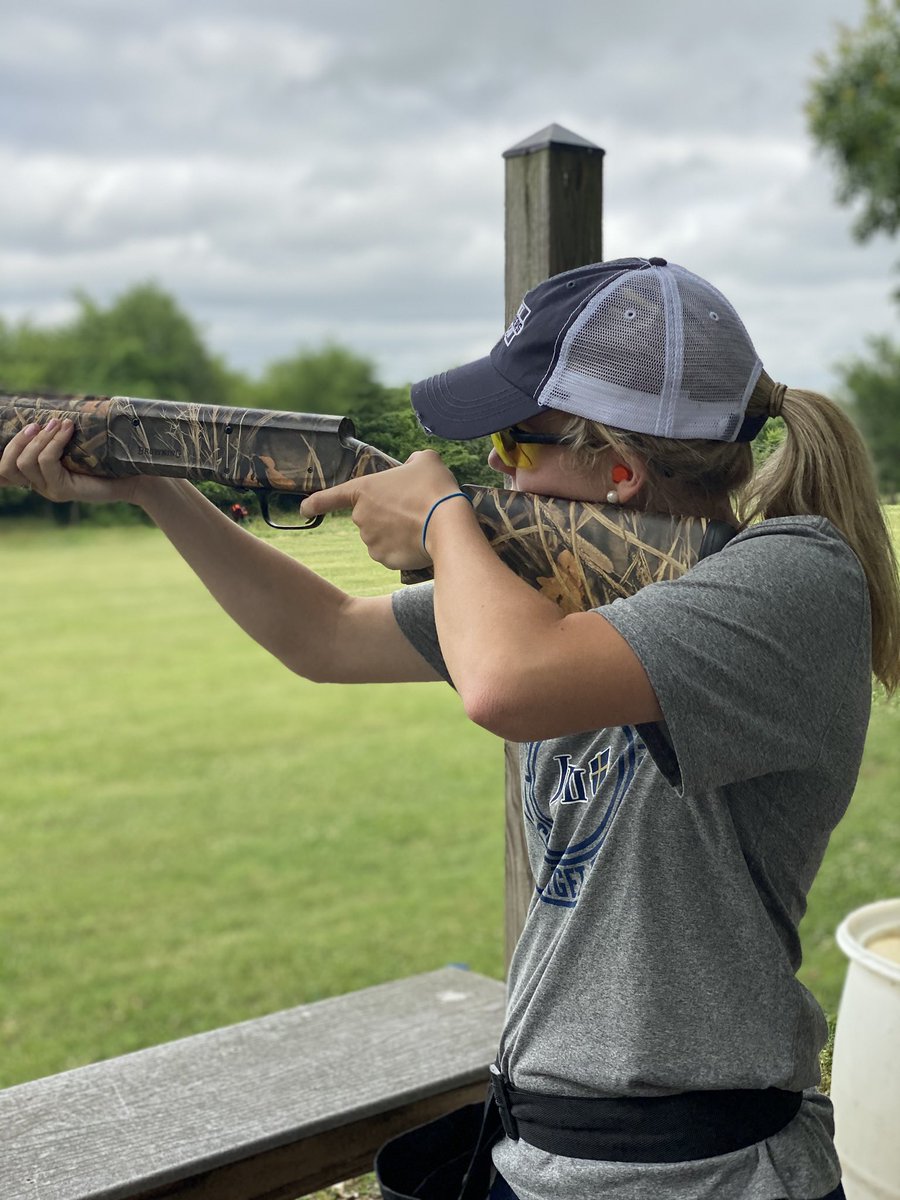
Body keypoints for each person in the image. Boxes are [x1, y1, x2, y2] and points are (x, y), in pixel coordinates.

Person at [2, 257, 898, 1200]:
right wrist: (156, 488)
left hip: (700, 1175)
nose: (491, 471)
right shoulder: (540, 594)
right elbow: (325, 638)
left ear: (620, 471)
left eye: (514, 445)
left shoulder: (797, 582)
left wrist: (439, 519)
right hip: (544, 1158)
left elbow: (506, 683)